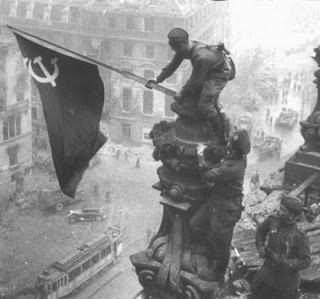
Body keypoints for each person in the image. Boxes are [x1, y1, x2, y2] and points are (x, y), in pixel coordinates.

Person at [146, 28, 234, 140]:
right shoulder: (186, 48)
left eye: (175, 48)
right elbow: (172, 66)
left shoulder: (200, 58)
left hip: (219, 73)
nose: (174, 51)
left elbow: (196, 81)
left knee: (205, 104)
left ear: (182, 45)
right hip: (210, 67)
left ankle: (221, 135)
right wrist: (157, 79)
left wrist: (182, 94)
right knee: (195, 97)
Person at [189, 127, 250, 284]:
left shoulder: (232, 167)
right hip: (217, 200)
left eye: (230, 143)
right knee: (195, 224)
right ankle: (209, 251)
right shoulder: (240, 157)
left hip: (226, 207)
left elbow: (207, 175)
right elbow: (224, 155)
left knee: (221, 242)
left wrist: (200, 153)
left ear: (235, 149)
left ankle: (217, 273)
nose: (228, 145)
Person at [252, 195, 311, 299]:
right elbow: (261, 231)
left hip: (286, 283)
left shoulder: (298, 235)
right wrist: (260, 247)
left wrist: (285, 262)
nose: (278, 211)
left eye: (283, 210)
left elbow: (306, 261)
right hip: (267, 275)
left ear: (291, 215)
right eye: (280, 207)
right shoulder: (273, 220)